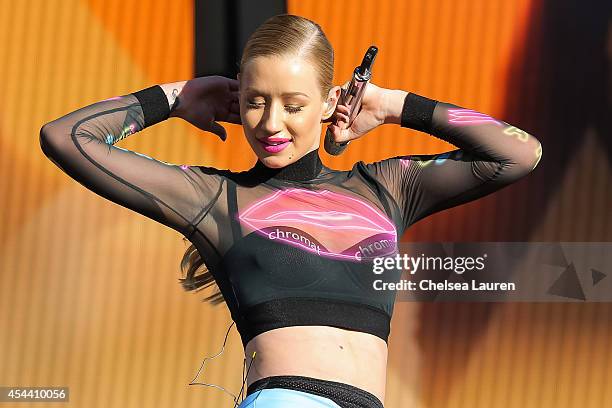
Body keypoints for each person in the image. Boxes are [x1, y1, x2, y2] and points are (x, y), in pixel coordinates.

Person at [39, 13, 542, 408]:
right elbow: (66, 138)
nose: (270, 122)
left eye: (293, 104)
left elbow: (519, 153)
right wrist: (174, 98)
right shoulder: (217, 198)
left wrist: (391, 105)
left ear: (329, 102)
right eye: (256, 101)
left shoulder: (385, 188)